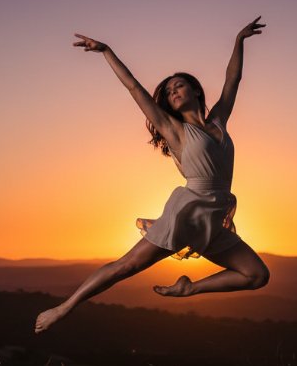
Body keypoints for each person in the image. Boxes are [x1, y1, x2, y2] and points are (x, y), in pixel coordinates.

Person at [34, 16, 270, 334]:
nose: (173, 91)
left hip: (214, 215)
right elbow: (134, 87)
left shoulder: (218, 122)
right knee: (126, 266)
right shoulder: (173, 129)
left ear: (196, 91)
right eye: (169, 90)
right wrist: (106, 51)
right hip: (189, 211)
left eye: (179, 85)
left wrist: (239, 39)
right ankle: (63, 308)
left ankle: (190, 289)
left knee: (257, 275)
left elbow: (233, 80)